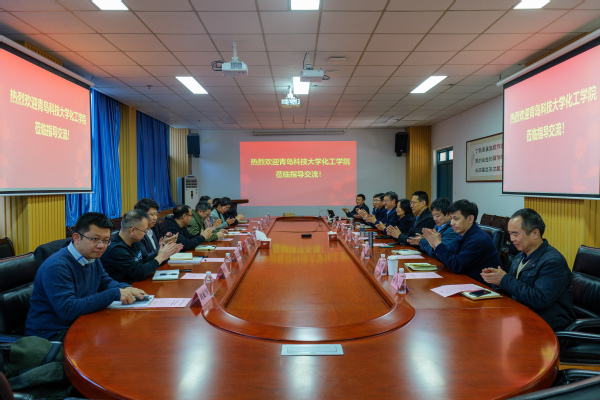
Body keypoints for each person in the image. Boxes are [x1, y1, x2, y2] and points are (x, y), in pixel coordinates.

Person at [25, 212, 147, 340]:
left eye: (106, 240)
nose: (101, 246)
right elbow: (68, 309)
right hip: (52, 334)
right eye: (94, 239)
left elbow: (105, 282)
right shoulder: (57, 266)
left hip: (80, 323)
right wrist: (114, 293)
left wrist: (125, 288)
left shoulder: (91, 257)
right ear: (77, 238)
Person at [481, 208, 575, 331]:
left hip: (545, 326)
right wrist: (497, 281)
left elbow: (540, 300)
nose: (511, 239)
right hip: (519, 317)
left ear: (535, 233)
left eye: (516, 234)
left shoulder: (553, 262)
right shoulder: (519, 256)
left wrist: (504, 279)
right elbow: (514, 290)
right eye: (510, 234)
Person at [422, 199, 501, 285]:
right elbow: (450, 256)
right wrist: (434, 244)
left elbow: (456, 265)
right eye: (451, 218)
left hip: (483, 287)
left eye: (456, 219)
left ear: (470, 219)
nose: (452, 223)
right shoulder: (462, 235)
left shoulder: (478, 240)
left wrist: (438, 244)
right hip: (465, 280)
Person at [101, 210, 183, 284]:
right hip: (125, 289)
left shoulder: (134, 241)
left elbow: (145, 260)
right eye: (144, 230)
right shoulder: (116, 249)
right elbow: (139, 272)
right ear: (132, 230)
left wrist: (163, 250)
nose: (145, 233)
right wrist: (160, 257)